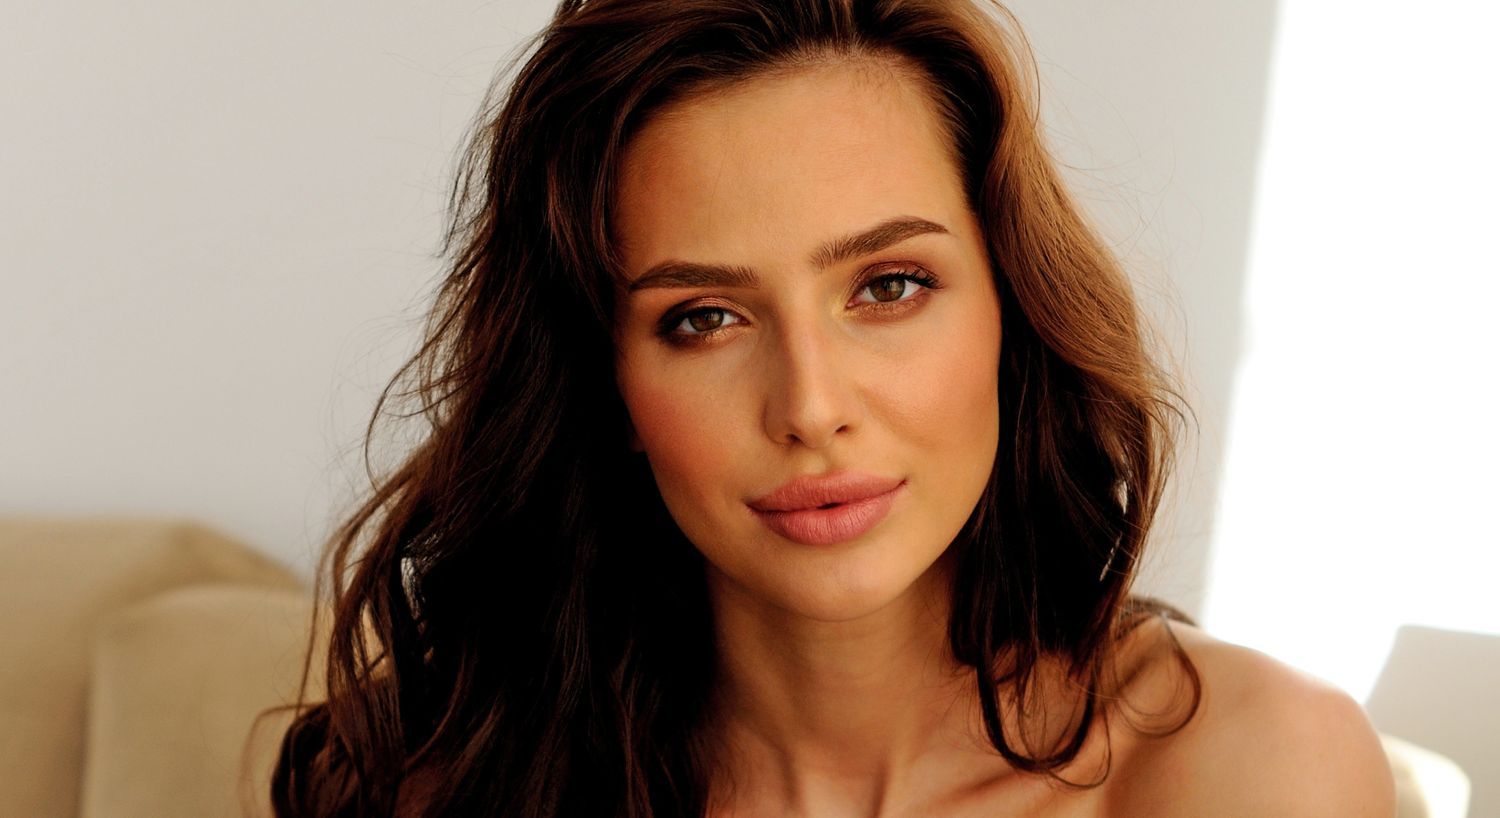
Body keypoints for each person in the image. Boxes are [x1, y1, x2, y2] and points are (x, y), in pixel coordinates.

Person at [273, 1, 1396, 815]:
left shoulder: (1250, 766)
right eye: (703, 317)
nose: (809, 406)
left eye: (888, 287)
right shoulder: (437, 784)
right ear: (604, 380)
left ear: (1011, 308)